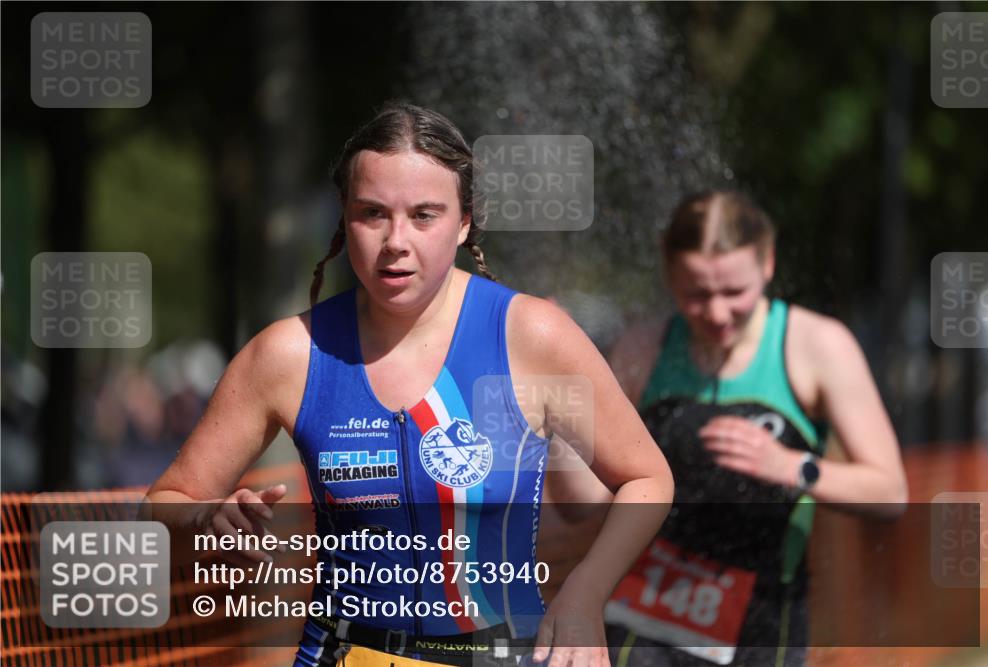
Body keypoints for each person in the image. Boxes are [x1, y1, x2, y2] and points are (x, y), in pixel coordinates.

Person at [144, 102, 673, 667]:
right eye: (373, 213)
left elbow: (647, 477)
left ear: (465, 221)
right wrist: (203, 518)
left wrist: (586, 593)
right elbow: (163, 504)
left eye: (424, 215)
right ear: (344, 217)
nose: (396, 240)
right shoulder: (289, 353)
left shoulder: (531, 336)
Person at [602, 191, 908, 667]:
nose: (718, 313)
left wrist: (790, 466)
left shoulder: (817, 346)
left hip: (762, 622)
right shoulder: (644, 347)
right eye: (696, 294)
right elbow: (588, 485)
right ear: (669, 274)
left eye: (734, 293)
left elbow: (890, 492)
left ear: (768, 264)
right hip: (642, 615)